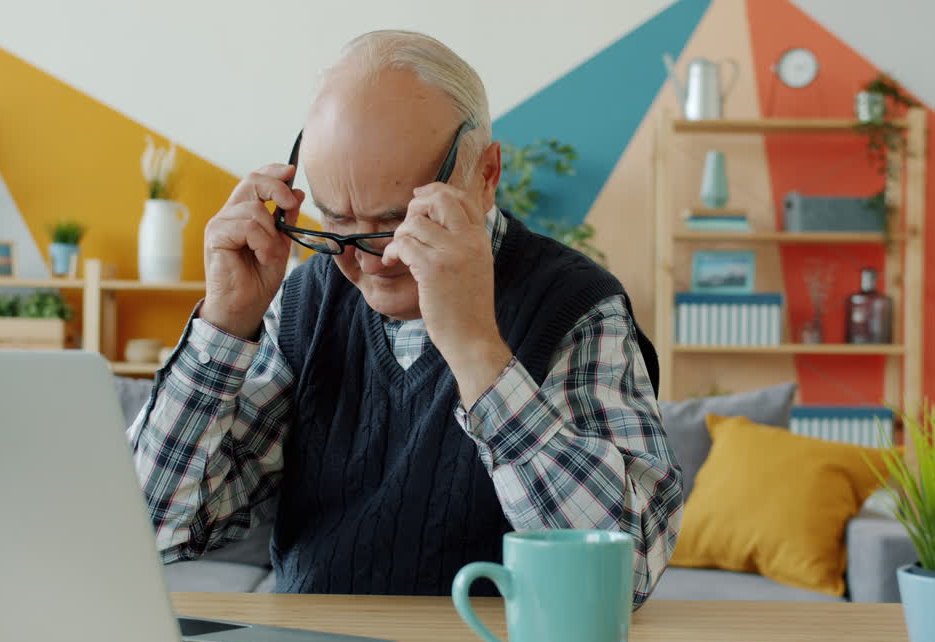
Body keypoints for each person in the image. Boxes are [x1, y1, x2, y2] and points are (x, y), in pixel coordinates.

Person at [129, 29, 682, 607]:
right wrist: (225, 324)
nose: (368, 261)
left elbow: (624, 572)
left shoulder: (576, 305)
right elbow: (155, 527)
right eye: (338, 221)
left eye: (397, 223)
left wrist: (475, 349)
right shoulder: (306, 301)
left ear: (486, 175)